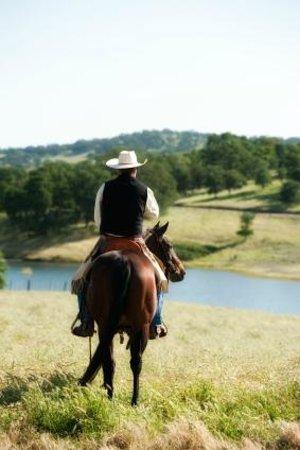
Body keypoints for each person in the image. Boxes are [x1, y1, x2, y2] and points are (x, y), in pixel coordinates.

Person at [71, 150, 168, 339]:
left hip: (108, 242)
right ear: (135, 169)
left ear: (118, 169)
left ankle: (86, 321)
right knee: (161, 280)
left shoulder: (105, 188)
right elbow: (153, 214)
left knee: (80, 279)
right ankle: (156, 322)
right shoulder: (145, 190)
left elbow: (97, 218)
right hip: (135, 243)